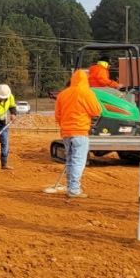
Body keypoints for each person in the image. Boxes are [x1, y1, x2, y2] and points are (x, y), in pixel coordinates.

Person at [46, 68, 101, 198]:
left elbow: (58, 116)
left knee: (70, 160)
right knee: (78, 161)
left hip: (66, 133)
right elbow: (96, 111)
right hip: (80, 132)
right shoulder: (87, 93)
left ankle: (71, 186)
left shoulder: (63, 94)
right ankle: (74, 189)